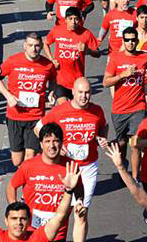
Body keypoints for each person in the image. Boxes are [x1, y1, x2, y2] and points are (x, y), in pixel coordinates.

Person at [35, 78, 108, 242]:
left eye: (87, 92)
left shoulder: (97, 111)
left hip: (88, 168)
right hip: (65, 168)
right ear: (73, 92)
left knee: (81, 212)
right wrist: (54, 148)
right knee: (60, 212)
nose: (84, 96)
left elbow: (103, 127)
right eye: (80, 92)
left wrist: (101, 138)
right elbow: (38, 128)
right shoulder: (60, 110)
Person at [0, 152, 80, 242]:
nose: (19, 222)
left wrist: (68, 191)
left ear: (29, 221)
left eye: (23, 219)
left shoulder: (37, 238)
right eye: (14, 218)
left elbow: (59, 216)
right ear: (6, 221)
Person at [5, 123, 81, 241]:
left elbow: (79, 189)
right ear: (41, 144)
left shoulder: (71, 167)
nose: (52, 145)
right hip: (32, 231)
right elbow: (11, 186)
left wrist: (79, 202)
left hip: (58, 229)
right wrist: (15, 209)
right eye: (47, 141)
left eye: (56, 141)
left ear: (61, 143)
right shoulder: (29, 166)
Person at [0, 32, 56, 167]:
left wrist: (51, 93)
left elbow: (53, 80)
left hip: (36, 117)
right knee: (17, 160)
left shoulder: (48, 65)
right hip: (15, 116)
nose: (34, 49)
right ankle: (24, 175)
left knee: (30, 156)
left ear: (41, 46)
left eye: (37, 46)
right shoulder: (13, 61)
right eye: (30, 45)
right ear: (25, 46)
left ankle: (28, 184)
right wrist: (8, 96)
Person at [103, 26, 147, 172]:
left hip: (138, 107)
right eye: (127, 40)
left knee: (136, 143)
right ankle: (123, 167)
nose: (130, 43)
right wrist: (122, 75)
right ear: (123, 41)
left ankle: (136, 178)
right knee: (122, 143)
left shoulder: (145, 57)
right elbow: (105, 82)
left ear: (137, 41)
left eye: (133, 40)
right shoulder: (115, 58)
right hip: (119, 109)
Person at [42, 7, 101, 104]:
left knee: (76, 111)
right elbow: (45, 43)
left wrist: (88, 50)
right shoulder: (57, 30)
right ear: (65, 19)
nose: (73, 22)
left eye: (76, 19)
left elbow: (98, 53)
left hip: (77, 81)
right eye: (70, 19)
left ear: (80, 20)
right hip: (60, 80)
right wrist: (51, 59)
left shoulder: (86, 34)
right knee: (64, 107)